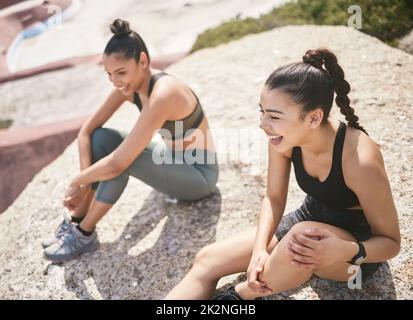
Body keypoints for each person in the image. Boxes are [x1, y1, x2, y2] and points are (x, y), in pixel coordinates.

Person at [165, 48, 401, 300]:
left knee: (302, 238)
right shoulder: (283, 137)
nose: (263, 124)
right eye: (262, 111)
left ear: (313, 118)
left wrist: (346, 250)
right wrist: (259, 250)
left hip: (356, 249)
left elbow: (390, 242)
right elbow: (274, 198)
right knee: (207, 260)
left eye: (274, 116)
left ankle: (237, 297)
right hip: (309, 218)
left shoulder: (360, 159)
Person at [42, 19, 219, 262]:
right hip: (170, 159)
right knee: (101, 138)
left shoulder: (163, 93)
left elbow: (118, 164)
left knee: (123, 160)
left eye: (121, 72)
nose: (116, 82)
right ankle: (78, 219)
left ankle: (85, 234)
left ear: (143, 61)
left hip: (199, 177)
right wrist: (83, 191)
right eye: (109, 75)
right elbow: (86, 132)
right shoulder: (129, 86)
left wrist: (77, 180)